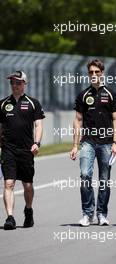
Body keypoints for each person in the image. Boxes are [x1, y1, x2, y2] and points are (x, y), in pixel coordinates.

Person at [70, 59, 116, 226]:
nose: (93, 75)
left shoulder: (111, 94)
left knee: (104, 179)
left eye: (96, 72)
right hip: (88, 142)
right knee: (85, 175)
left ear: (102, 73)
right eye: (91, 72)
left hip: (107, 143)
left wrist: (115, 142)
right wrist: (75, 145)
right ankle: (87, 214)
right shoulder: (83, 96)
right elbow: (78, 120)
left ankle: (102, 214)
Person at [0, 70, 45, 230]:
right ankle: (10, 217)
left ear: (24, 84)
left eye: (18, 82)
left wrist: (36, 143)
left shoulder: (33, 103)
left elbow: (38, 125)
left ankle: (28, 210)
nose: (14, 85)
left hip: (27, 150)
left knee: (27, 185)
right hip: (8, 149)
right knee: (9, 183)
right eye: (12, 82)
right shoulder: (3, 104)